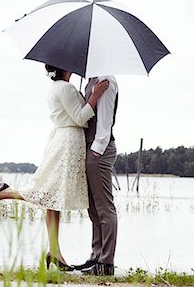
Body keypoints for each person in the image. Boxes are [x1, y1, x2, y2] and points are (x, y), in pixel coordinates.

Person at [0, 64, 109, 272]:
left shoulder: (58, 87)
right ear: (64, 68)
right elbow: (80, 118)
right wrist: (94, 96)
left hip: (61, 139)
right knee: (48, 194)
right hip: (68, 143)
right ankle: (4, 192)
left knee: (54, 199)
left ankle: (55, 253)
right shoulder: (65, 88)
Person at [73, 76, 119, 276]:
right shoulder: (91, 80)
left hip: (99, 149)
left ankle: (106, 263)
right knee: (93, 208)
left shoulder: (107, 80)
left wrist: (96, 150)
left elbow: (106, 118)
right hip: (90, 148)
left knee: (104, 207)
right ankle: (96, 256)